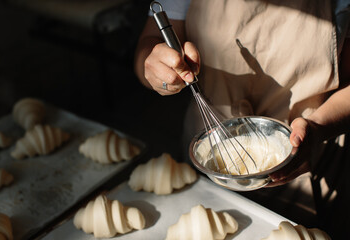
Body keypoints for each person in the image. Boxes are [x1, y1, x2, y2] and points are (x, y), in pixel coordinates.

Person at [134, 0, 350, 239]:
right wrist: (157, 69)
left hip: (305, 169)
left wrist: (318, 127)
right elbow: (149, 42)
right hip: (208, 170)